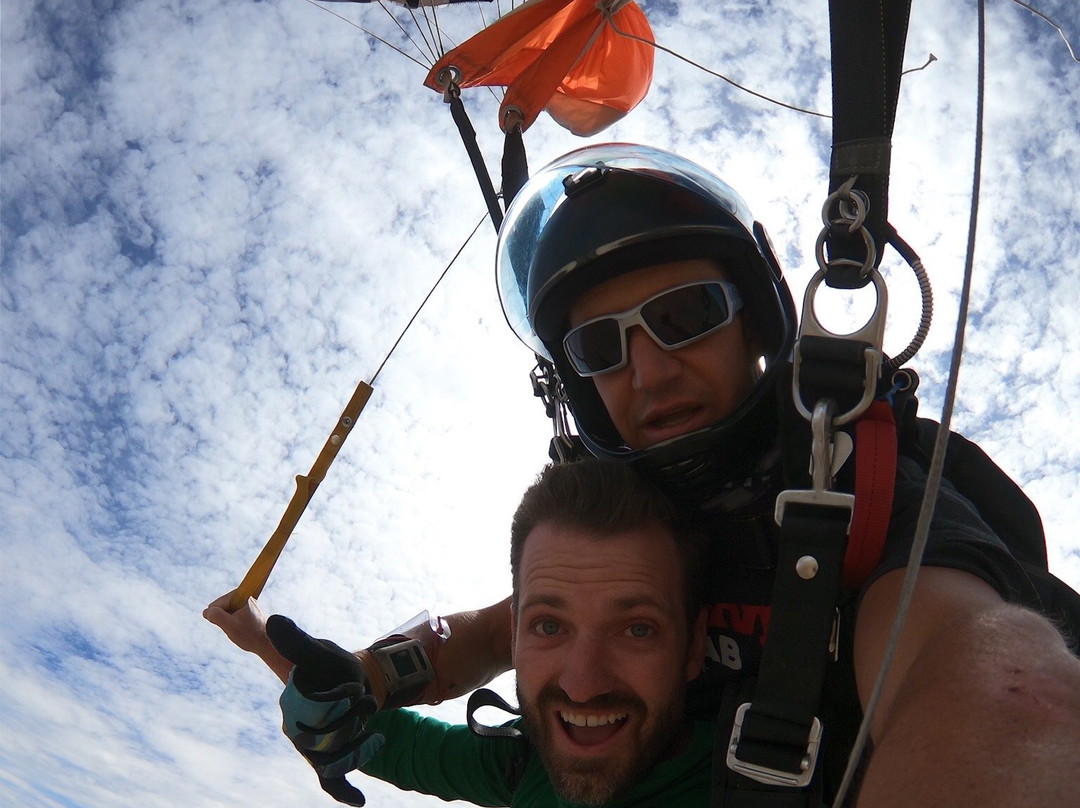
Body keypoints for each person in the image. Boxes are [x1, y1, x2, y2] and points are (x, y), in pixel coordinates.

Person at [210, 143, 1080, 806]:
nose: (649, 373)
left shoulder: (857, 478)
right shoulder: (633, 531)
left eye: (684, 316)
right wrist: (357, 681)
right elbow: (493, 634)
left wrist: (1014, 715)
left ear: (757, 324)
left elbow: (977, 664)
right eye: (601, 347)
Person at [208, 459, 713, 807]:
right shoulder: (527, 764)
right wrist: (260, 642)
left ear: (693, 646)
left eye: (637, 629)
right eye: (549, 625)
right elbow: (376, 735)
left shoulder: (751, 783)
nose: (582, 683)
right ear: (515, 639)